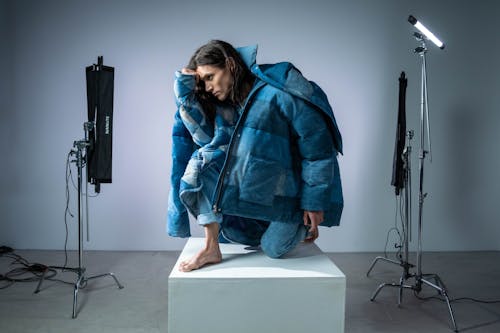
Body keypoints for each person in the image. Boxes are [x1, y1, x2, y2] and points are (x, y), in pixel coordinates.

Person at [167, 40, 343, 272]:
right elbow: (203, 139)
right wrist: (184, 86)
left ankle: (300, 223)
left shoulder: (280, 93)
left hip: (289, 194)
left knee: (272, 248)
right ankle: (211, 248)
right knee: (202, 163)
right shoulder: (226, 106)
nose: (208, 87)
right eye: (203, 82)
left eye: (210, 77)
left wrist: (313, 202)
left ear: (230, 64)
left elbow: (317, 152)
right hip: (254, 189)